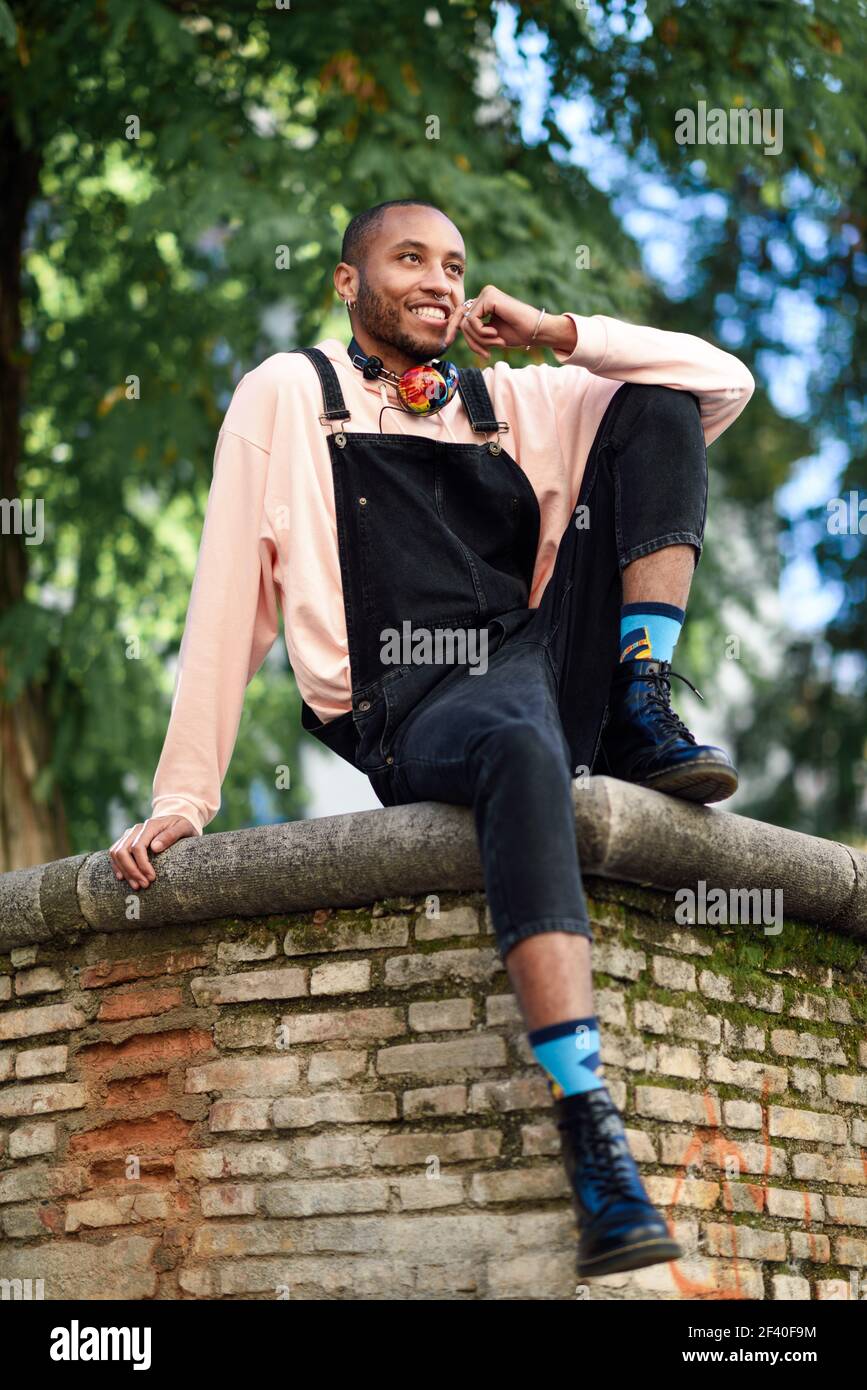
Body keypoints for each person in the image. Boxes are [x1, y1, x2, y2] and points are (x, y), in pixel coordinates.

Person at [109, 199, 754, 1279]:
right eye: (411, 257)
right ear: (348, 283)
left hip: (546, 659)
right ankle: (589, 1123)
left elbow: (720, 382)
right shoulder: (288, 393)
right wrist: (187, 796)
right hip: (416, 703)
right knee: (517, 744)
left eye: (455, 263)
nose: (440, 279)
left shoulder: (503, 399)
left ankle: (642, 699)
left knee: (655, 407)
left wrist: (556, 331)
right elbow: (226, 594)